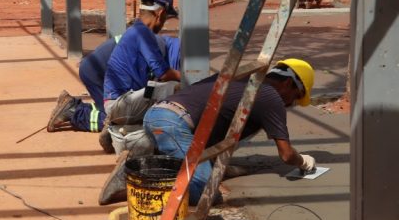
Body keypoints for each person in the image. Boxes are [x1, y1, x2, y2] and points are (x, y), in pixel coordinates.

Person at [98, 59, 317, 206]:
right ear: (288, 83)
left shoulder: (241, 79)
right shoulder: (271, 96)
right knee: (206, 193)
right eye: (296, 97)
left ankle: (144, 157)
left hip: (160, 115)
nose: (292, 104)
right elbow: (286, 155)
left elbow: (218, 130)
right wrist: (303, 162)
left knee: (191, 165)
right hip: (173, 123)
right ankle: (130, 183)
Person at [47, 35, 181, 135]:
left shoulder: (168, 45)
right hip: (97, 72)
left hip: (95, 67)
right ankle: (74, 112)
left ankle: (75, 106)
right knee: (118, 120)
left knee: (121, 110)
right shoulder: (172, 60)